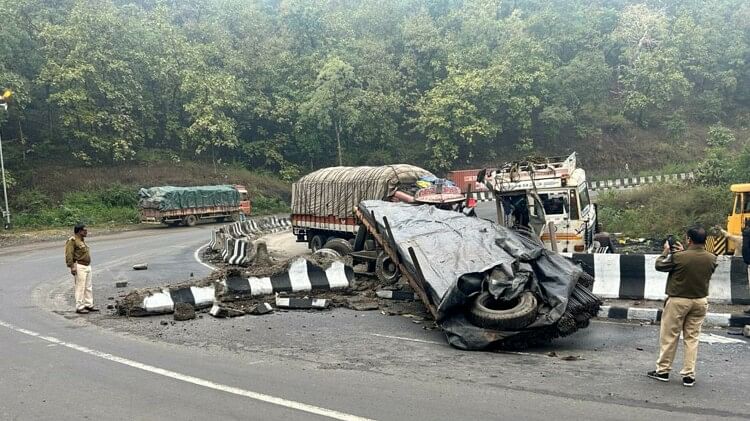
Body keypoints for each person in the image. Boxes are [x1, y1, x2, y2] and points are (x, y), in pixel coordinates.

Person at [648, 226, 716, 387]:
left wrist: (666, 252)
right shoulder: (712, 258)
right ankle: (689, 375)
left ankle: (663, 371)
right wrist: (684, 252)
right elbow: (695, 263)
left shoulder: (678, 257)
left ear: (688, 240)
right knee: (692, 338)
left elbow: (659, 266)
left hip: (678, 301)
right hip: (700, 301)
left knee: (669, 337)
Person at [64, 224, 99, 314]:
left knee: (88, 287)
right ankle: (79, 306)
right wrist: (72, 266)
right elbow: (69, 254)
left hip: (87, 265)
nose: (86, 232)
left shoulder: (81, 240)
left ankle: (88, 304)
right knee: (80, 287)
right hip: (79, 265)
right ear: (79, 231)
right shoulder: (72, 241)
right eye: (84, 230)